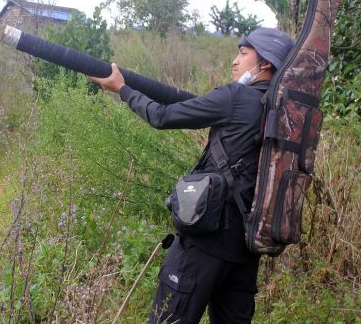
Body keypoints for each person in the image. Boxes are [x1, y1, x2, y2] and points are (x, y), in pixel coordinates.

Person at [88, 28, 294, 324]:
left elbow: (161, 116)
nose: (235, 61)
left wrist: (123, 89)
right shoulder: (282, 113)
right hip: (246, 248)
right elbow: (184, 103)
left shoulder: (237, 97)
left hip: (205, 243)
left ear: (267, 65)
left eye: (244, 54)